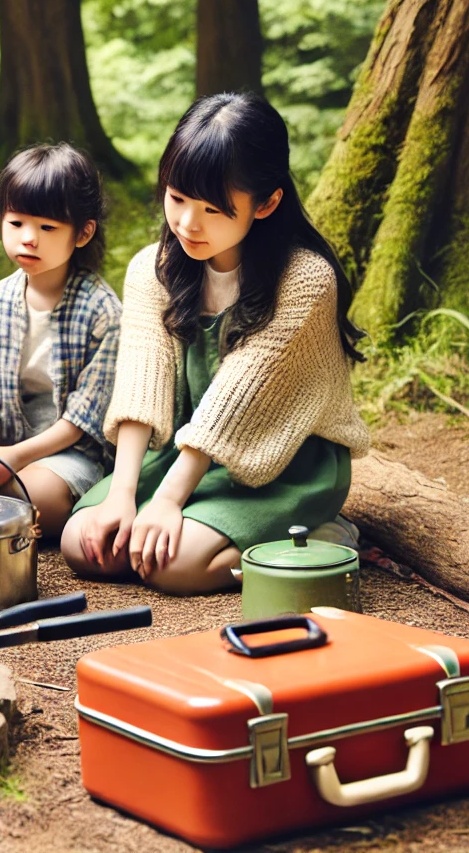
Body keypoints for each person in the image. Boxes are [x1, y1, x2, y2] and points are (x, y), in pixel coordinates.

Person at [64, 93, 369, 594]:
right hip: (186, 450)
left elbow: (237, 398)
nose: (187, 223)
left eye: (213, 209)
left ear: (267, 203)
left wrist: (167, 503)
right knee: (87, 544)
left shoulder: (305, 280)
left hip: (282, 462)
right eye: (177, 198)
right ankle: (208, 527)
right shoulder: (152, 267)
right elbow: (144, 385)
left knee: (173, 566)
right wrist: (122, 494)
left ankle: (322, 537)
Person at [0, 144, 120, 539]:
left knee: (24, 496)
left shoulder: (103, 311)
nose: (28, 239)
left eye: (47, 228)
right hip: (10, 445)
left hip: (74, 453)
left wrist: (12, 460)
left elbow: (84, 418)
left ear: (82, 233)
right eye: (16, 224)